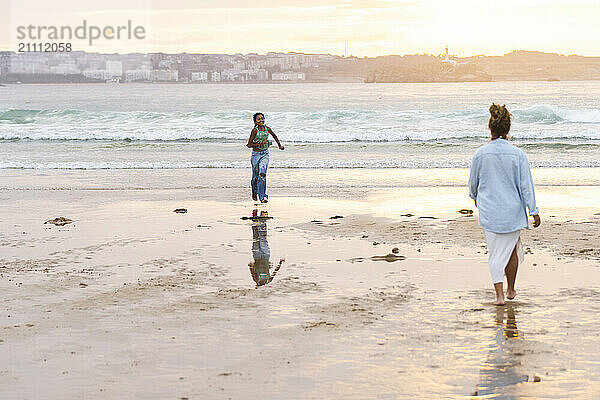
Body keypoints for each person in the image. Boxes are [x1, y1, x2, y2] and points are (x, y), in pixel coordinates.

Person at [468, 104, 541, 306]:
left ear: (490, 129)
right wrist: (533, 211)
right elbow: (526, 185)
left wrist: (474, 196)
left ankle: (499, 295)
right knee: (511, 249)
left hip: (490, 211)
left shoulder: (480, 154)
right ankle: (510, 289)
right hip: (512, 212)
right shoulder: (518, 154)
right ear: (508, 130)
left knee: (495, 253)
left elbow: (473, 182)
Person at [246, 112, 284, 203]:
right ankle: (255, 192)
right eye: (258, 119)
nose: (261, 120)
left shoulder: (267, 129)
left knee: (262, 174)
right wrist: (259, 144)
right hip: (256, 155)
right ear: (255, 121)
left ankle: (263, 196)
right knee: (255, 176)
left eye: (262, 118)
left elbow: (275, 136)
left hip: (265, 154)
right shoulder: (254, 130)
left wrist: (280, 145)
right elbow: (249, 144)